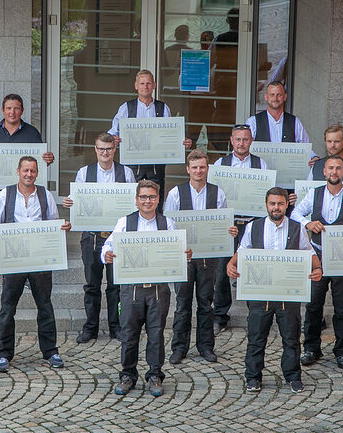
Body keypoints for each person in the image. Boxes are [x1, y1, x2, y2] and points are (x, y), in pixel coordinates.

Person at [101, 180, 193, 397]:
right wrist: (106, 255)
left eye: (151, 197)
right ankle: (127, 375)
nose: (147, 201)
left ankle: (154, 375)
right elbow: (108, 246)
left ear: (157, 199)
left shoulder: (167, 224)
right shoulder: (125, 222)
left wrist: (185, 256)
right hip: (131, 289)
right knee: (129, 334)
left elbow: (178, 252)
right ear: (136, 199)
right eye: (143, 197)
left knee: (156, 334)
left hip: (158, 290)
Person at [226, 187, 322, 393]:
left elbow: (309, 252)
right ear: (266, 204)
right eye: (272, 203)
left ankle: (293, 376)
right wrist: (231, 265)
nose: (276, 207)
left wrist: (318, 268)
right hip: (260, 294)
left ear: (287, 205)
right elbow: (243, 251)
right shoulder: (254, 227)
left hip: (288, 294)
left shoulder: (297, 228)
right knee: (256, 337)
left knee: (291, 337)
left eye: (280, 203)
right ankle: (253, 377)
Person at [0, 156, 71, 372]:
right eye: (25, 170)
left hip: (39, 260)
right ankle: (3, 354)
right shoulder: (5, 194)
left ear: (37, 173)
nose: (29, 174)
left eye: (33, 171)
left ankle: (51, 351)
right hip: (14, 260)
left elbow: (53, 221)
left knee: (45, 306)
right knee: (7, 308)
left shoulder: (45, 195)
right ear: (18, 171)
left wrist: (62, 228)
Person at [291, 156, 343, 370]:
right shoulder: (314, 194)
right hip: (318, 257)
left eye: (338, 168)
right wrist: (308, 223)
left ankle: (342, 351)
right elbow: (296, 213)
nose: (334, 172)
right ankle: (311, 348)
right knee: (313, 305)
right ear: (324, 172)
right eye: (330, 168)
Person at [0, 93, 55, 293]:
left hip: (26, 191)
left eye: (16, 108)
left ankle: (26, 273)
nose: (12, 112)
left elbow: (37, 162)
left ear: (22, 111)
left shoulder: (32, 133)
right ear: (3, 110)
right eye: (9, 108)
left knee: (26, 230)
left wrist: (47, 158)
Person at [62, 133, 135, 343]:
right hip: (92, 237)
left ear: (114, 149)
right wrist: (70, 203)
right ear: (95, 149)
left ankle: (116, 327)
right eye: (101, 149)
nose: (105, 152)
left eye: (109, 149)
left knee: (115, 286)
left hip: (117, 237)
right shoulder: (84, 173)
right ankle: (90, 328)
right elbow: (76, 201)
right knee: (92, 285)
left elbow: (133, 203)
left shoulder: (126, 172)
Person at [165, 149, 237, 365]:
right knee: (182, 304)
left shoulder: (218, 193)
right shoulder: (175, 194)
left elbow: (223, 225)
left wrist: (229, 231)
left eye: (202, 167)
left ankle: (206, 347)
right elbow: (169, 226)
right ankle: (179, 348)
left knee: (206, 303)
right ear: (188, 169)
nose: (198, 171)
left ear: (207, 169)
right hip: (184, 258)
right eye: (194, 167)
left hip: (208, 258)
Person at [211, 124, 269, 335]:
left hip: (253, 222)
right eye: (238, 139)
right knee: (222, 272)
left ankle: (257, 314)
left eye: (245, 139)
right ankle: (219, 316)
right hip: (229, 224)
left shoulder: (260, 163)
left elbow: (265, 195)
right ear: (231, 140)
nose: (241, 143)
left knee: (254, 267)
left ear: (251, 141)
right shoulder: (221, 163)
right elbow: (215, 196)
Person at [108, 69, 193, 211]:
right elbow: (112, 132)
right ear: (136, 86)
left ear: (154, 85)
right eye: (142, 83)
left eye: (148, 83)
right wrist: (114, 139)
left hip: (156, 165)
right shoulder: (126, 108)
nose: (145, 86)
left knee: (156, 198)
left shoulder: (163, 108)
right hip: (133, 164)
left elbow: (170, 132)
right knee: (132, 198)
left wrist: (181, 141)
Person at [246, 80, 318, 165]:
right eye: (272, 95)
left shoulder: (295, 122)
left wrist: (314, 158)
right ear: (266, 97)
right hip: (262, 173)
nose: (275, 99)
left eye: (279, 95)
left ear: (285, 97)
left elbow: (306, 148)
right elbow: (244, 146)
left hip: (287, 175)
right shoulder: (253, 122)